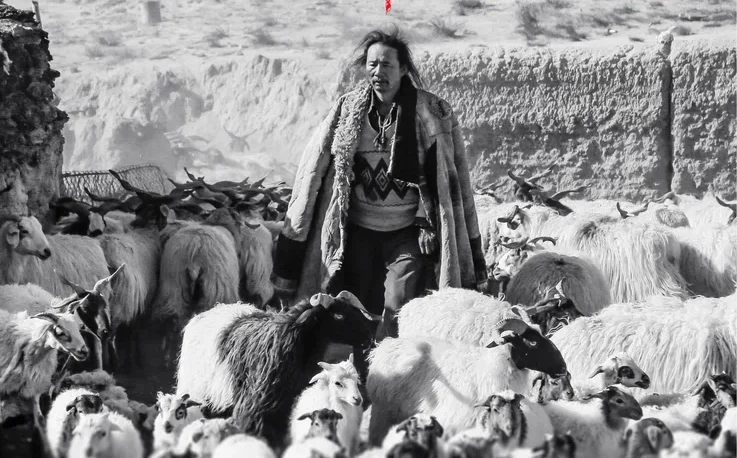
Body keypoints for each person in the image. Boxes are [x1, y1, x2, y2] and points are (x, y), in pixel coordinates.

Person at [271, 27, 487, 380]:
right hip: (358, 233)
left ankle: (386, 378)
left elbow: (446, 178)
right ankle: (353, 376)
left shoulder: (430, 113)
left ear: (403, 69)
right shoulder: (347, 111)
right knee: (353, 305)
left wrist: (426, 219)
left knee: (396, 305)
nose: (378, 72)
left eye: (387, 64)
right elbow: (319, 167)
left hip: (406, 234)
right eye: (372, 64)